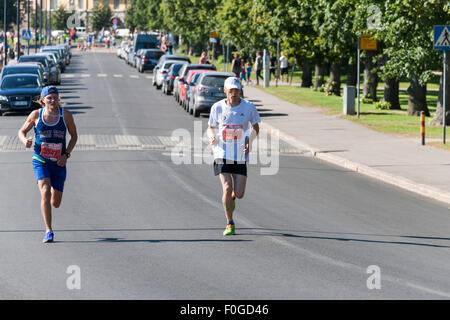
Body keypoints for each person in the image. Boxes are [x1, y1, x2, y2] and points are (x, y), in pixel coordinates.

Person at [18, 86, 78, 243]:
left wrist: (66, 155)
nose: (52, 100)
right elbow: (21, 131)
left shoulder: (66, 116)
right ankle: (48, 231)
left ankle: (52, 196)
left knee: (55, 203)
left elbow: (74, 137)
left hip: (59, 163)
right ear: (43, 100)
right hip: (40, 160)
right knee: (45, 192)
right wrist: (25, 140)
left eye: (55, 97)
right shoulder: (36, 114)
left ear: (58, 99)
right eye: (49, 98)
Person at [207, 77, 261, 236]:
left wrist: (249, 141)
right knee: (227, 187)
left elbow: (256, 126)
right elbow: (210, 127)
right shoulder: (217, 108)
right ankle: (230, 222)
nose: (234, 94)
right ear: (225, 91)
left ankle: (232, 200)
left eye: (237, 91)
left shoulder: (248, 107)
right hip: (221, 153)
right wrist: (211, 136)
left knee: (239, 193)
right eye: (231, 91)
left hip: (240, 154)